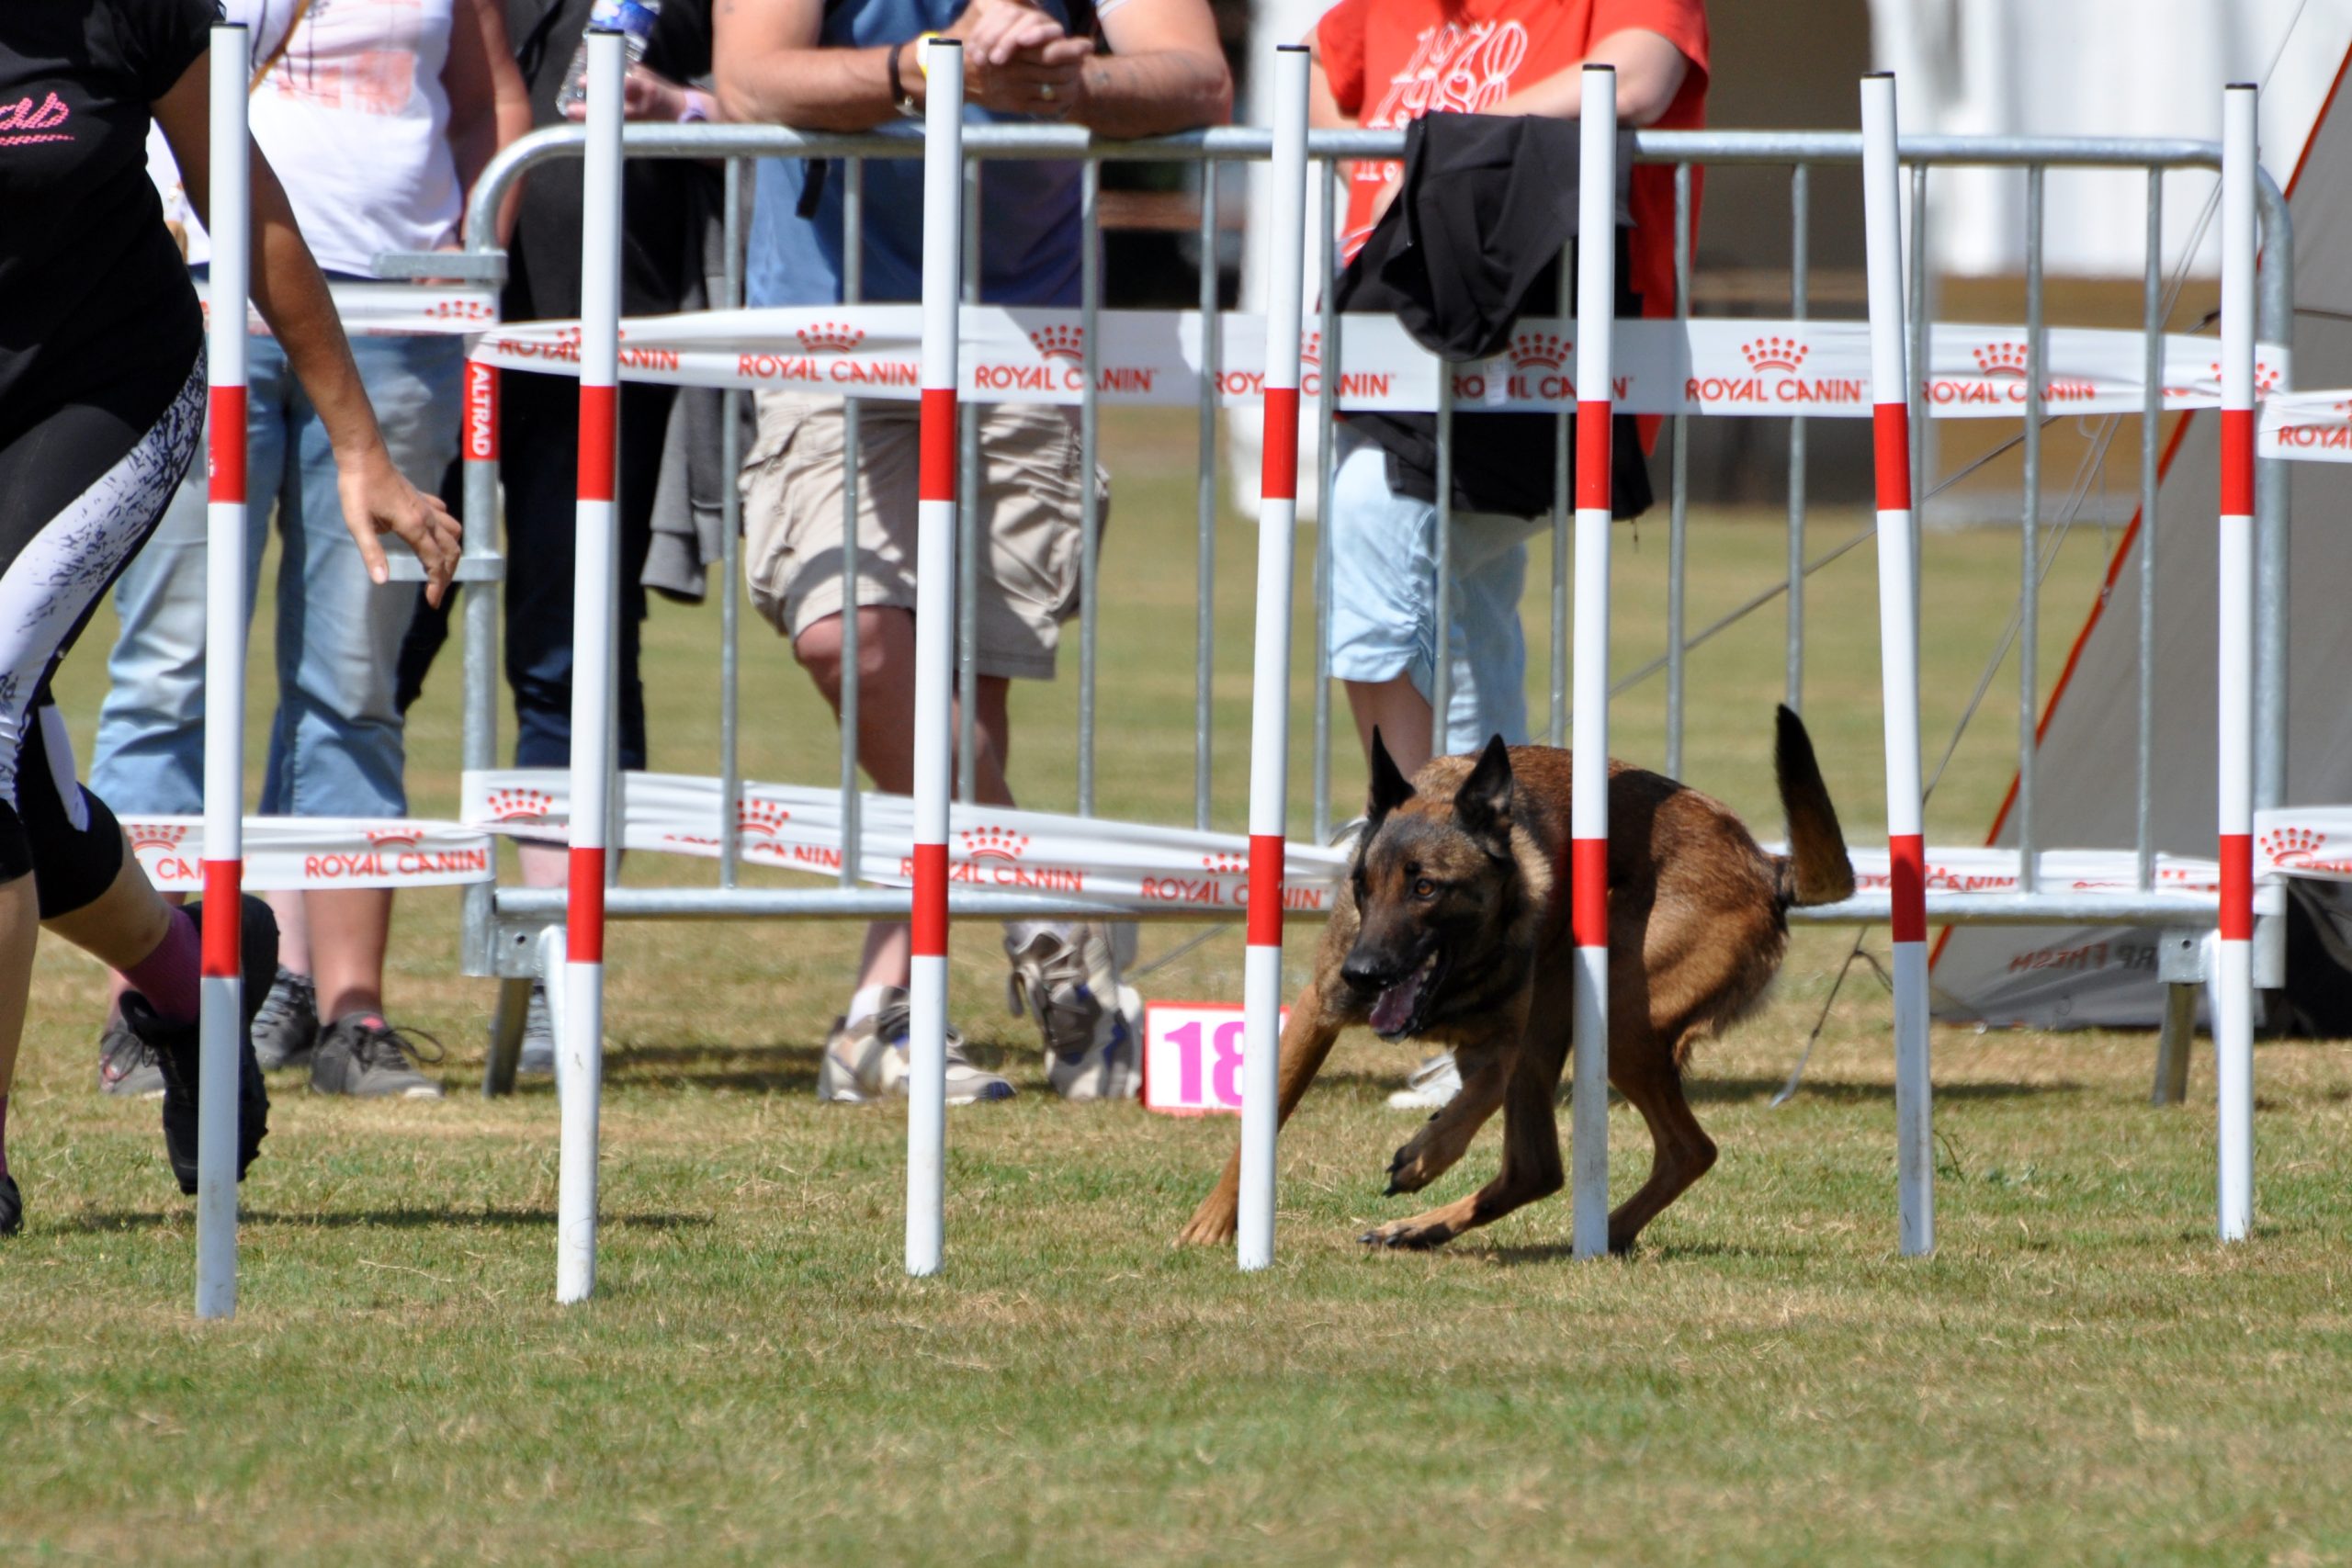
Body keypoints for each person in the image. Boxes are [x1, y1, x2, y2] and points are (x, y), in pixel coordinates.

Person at [713, 0, 1230, 1105]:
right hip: (831, 333)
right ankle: (1051, 914)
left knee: (961, 712)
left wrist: (1059, 84)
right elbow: (750, 79)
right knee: (851, 640)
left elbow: (1198, 78)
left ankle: (887, 1015)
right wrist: (922, 71)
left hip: (1024, 337)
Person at [0, 2, 461, 1232]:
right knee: (18, 774)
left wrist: (359, 444)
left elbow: (246, 206)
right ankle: (193, 979)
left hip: (106, 395)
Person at [91, 0, 528, 1103]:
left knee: (354, 679)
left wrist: (473, 254)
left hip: (395, 319)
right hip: (198, 304)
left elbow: (490, 103)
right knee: (168, 667)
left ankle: (349, 1013)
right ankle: (148, 1010)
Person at [1308, 0, 1708, 1109]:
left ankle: (1424, 852)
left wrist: (1431, 149)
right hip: (1396, 329)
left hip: (1541, 337)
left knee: (1383, 568)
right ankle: (1480, 980)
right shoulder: (1373, 13)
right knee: (1468, 630)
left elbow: (1634, 81)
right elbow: (1318, 95)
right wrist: (1399, 172)